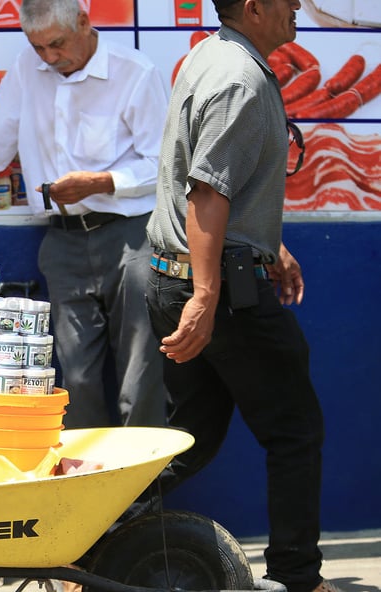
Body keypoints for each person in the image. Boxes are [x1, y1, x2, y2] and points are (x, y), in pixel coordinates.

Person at [144, 1, 338, 591]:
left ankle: (88, 540)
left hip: (183, 273)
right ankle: (297, 580)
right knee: (295, 430)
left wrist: (266, 244)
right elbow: (206, 192)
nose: (299, 5)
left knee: (190, 439)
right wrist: (206, 296)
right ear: (254, 8)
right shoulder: (239, 79)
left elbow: (212, 180)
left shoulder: (213, 54)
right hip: (220, 292)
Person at [0, 0, 169, 428]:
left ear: (83, 22)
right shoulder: (28, 70)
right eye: (37, 47)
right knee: (73, 378)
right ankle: (85, 488)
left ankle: (142, 495)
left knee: (140, 374)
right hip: (62, 240)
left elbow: (165, 164)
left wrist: (103, 182)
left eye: (56, 44)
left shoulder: (135, 72)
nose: (49, 57)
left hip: (130, 236)